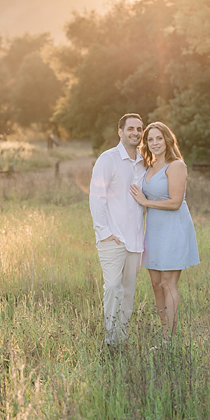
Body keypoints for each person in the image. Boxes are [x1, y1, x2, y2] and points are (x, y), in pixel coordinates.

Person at [130, 122, 199, 340]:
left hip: (173, 228)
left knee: (168, 283)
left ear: (167, 139)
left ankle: (170, 338)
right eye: (150, 139)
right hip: (153, 230)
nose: (155, 143)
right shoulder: (149, 167)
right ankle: (164, 332)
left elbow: (175, 202)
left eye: (159, 138)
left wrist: (145, 202)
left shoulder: (176, 165)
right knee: (155, 283)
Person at [89, 113, 146, 346]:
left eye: (139, 129)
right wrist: (104, 233)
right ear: (120, 132)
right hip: (113, 238)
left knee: (129, 291)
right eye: (130, 128)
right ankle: (110, 340)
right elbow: (96, 197)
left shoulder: (144, 161)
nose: (135, 133)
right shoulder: (108, 159)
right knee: (113, 287)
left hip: (135, 240)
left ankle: (122, 335)